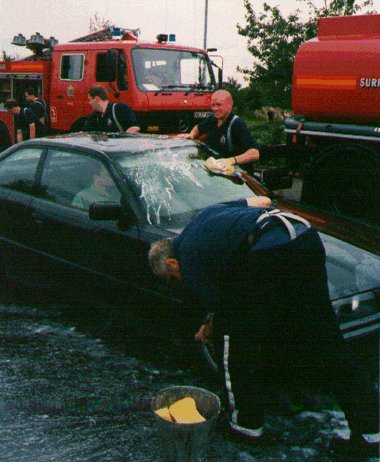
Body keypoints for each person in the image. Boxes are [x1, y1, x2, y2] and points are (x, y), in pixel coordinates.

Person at [148, 197, 379, 460]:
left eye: (173, 279)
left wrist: (209, 327)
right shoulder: (204, 217)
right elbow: (260, 199)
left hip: (271, 251)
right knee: (326, 341)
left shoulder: (188, 257)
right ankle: (370, 431)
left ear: (171, 264)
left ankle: (245, 425)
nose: (180, 282)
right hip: (305, 237)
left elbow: (222, 310)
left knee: (233, 343)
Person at [178, 90, 259, 173]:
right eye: (213, 105)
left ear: (230, 104)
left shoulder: (237, 124)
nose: (215, 109)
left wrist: (231, 160)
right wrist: (191, 135)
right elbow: (197, 128)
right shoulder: (213, 119)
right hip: (216, 173)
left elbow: (255, 153)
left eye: (219, 105)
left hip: (238, 178)